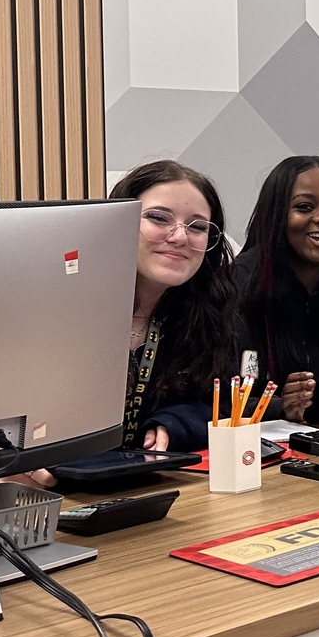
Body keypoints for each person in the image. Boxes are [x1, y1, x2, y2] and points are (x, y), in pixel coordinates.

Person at [112, 159, 240, 452]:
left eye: (197, 226)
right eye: (158, 218)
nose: (180, 236)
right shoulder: (67, 313)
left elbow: (221, 403)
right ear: (119, 222)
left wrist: (177, 422)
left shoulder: (207, 313)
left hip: (151, 482)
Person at [233, 155, 319, 423]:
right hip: (264, 451)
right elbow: (215, 398)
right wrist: (281, 406)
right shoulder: (237, 283)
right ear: (277, 215)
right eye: (304, 207)